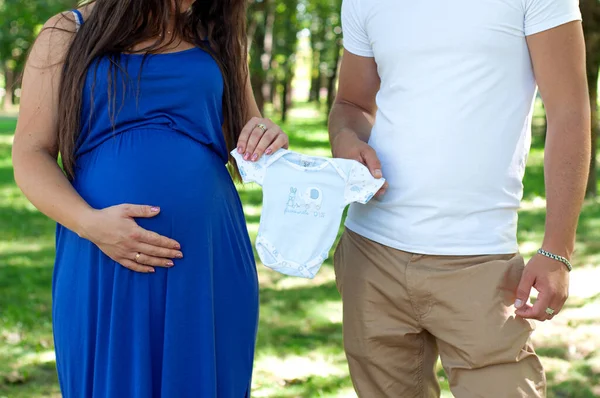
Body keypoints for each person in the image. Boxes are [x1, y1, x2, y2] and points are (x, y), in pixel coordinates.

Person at [11, 1, 288, 396]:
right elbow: (29, 154)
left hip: (209, 258)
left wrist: (265, 137)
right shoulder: (67, 33)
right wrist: (92, 225)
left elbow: (246, 145)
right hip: (104, 252)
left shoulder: (217, 33)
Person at [329, 0, 590, 397]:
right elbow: (351, 104)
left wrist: (557, 249)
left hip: (482, 262)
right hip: (370, 254)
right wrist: (346, 140)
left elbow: (569, 110)